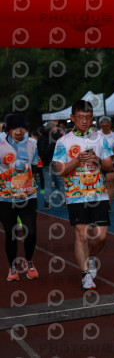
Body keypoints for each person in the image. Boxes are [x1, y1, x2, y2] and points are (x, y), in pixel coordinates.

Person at [53, 100, 113, 290]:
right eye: (80, 117)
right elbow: (60, 170)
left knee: (101, 236)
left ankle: (91, 257)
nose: (84, 121)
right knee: (82, 234)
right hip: (76, 195)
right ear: (72, 118)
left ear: (92, 117)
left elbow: (109, 166)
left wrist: (97, 159)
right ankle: (86, 275)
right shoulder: (63, 141)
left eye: (88, 117)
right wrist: (77, 160)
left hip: (99, 194)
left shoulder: (100, 139)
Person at [0, 114, 40, 281]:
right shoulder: (1, 145)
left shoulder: (32, 144)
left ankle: (29, 261)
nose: (18, 131)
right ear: (8, 129)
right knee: (11, 233)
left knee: (31, 232)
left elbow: (34, 166)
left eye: (22, 128)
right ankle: (13, 266)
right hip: (6, 198)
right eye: (15, 128)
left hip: (28, 196)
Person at [38, 121, 65, 209]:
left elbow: (40, 151)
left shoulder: (42, 137)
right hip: (57, 162)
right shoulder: (58, 137)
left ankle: (47, 203)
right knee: (61, 183)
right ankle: (64, 201)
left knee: (48, 183)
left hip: (47, 163)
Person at [97, 116, 114, 207]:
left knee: (110, 182)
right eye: (103, 126)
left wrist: (104, 156)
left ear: (110, 125)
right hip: (98, 163)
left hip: (111, 162)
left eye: (106, 126)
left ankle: (108, 205)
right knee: (99, 184)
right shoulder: (96, 135)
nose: (104, 127)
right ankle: (100, 203)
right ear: (100, 125)